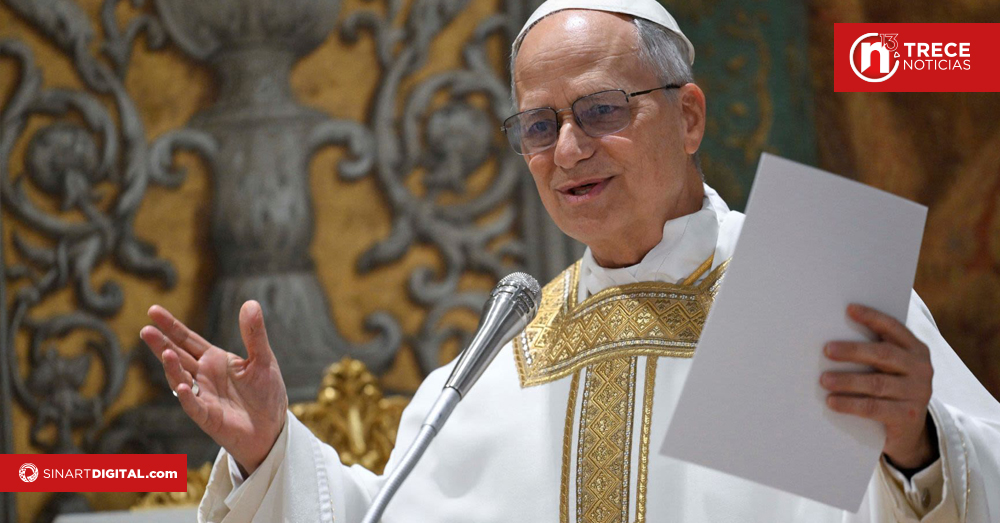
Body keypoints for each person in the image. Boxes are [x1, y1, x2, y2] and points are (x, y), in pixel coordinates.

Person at [140, 1, 1000, 521]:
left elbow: (975, 473)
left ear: (690, 116)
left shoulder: (814, 293)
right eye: (540, 126)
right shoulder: (501, 359)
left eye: (601, 109)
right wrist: (271, 455)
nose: (570, 149)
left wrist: (917, 442)